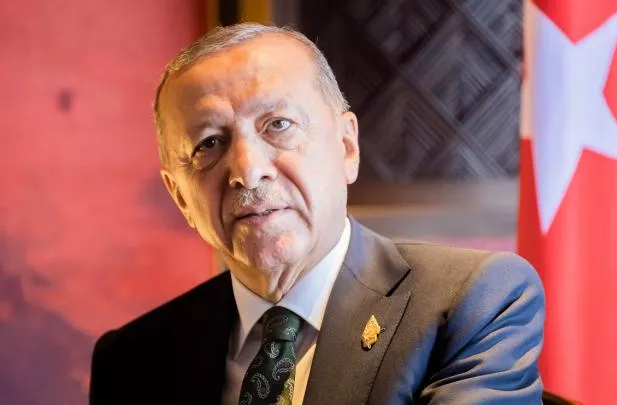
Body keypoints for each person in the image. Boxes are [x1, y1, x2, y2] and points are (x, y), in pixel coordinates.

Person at [89, 22, 545, 405]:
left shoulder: (472, 303)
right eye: (209, 143)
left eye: (278, 125)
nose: (247, 171)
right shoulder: (131, 361)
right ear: (180, 197)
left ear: (346, 147)